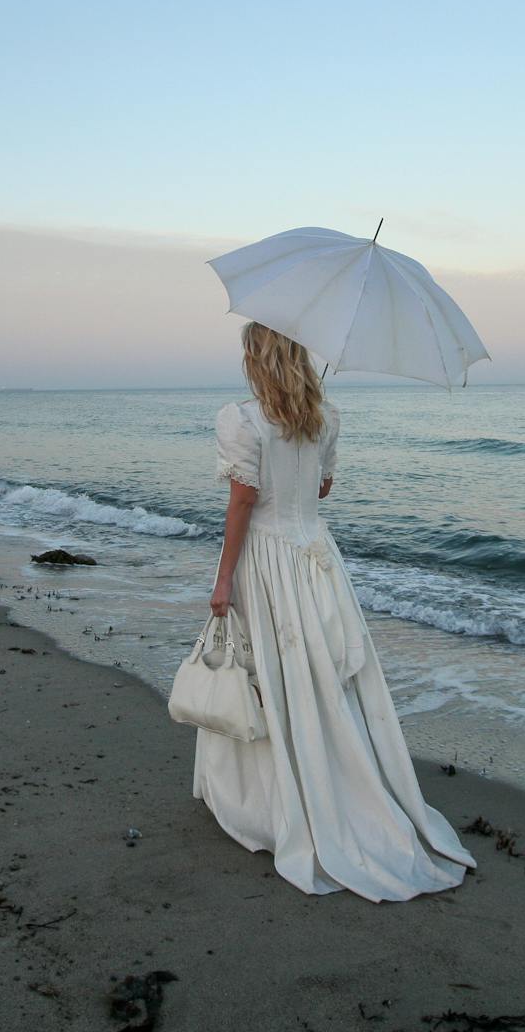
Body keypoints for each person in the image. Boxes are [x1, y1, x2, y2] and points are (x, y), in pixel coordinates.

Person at [191, 321, 475, 901]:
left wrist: (223, 580)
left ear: (257, 357)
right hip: (317, 558)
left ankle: (273, 802)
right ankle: (341, 783)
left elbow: (242, 506)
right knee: (319, 676)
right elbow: (321, 493)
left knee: (272, 672)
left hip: (267, 560)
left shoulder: (241, 420)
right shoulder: (325, 418)